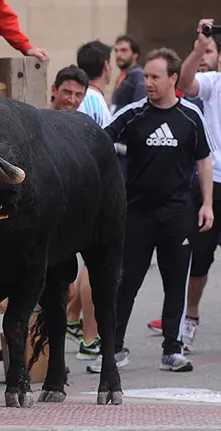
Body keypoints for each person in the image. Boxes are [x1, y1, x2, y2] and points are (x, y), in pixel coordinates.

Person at [87, 47, 216, 374]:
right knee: (125, 283)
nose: (148, 83)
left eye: (155, 77)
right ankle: (113, 349)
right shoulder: (132, 114)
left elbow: (203, 160)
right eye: (146, 76)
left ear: (174, 78)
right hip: (138, 214)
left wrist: (208, 205)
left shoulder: (191, 115)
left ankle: (172, 350)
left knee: (176, 283)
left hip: (178, 214)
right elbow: (99, 143)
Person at [148, 18, 221, 353]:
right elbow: (185, 84)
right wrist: (199, 47)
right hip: (213, 183)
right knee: (200, 258)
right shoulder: (213, 83)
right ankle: (189, 319)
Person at [64, 40, 114, 362]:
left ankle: (71, 318)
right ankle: (89, 336)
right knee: (92, 263)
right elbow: (108, 146)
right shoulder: (93, 100)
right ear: (106, 66)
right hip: (87, 189)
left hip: (79, 187)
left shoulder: (87, 98)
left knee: (85, 262)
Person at [111, 34, 146, 113]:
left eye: (124, 50)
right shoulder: (123, 76)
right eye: (116, 50)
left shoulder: (138, 75)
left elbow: (140, 107)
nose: (118, 55)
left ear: (135, 54)